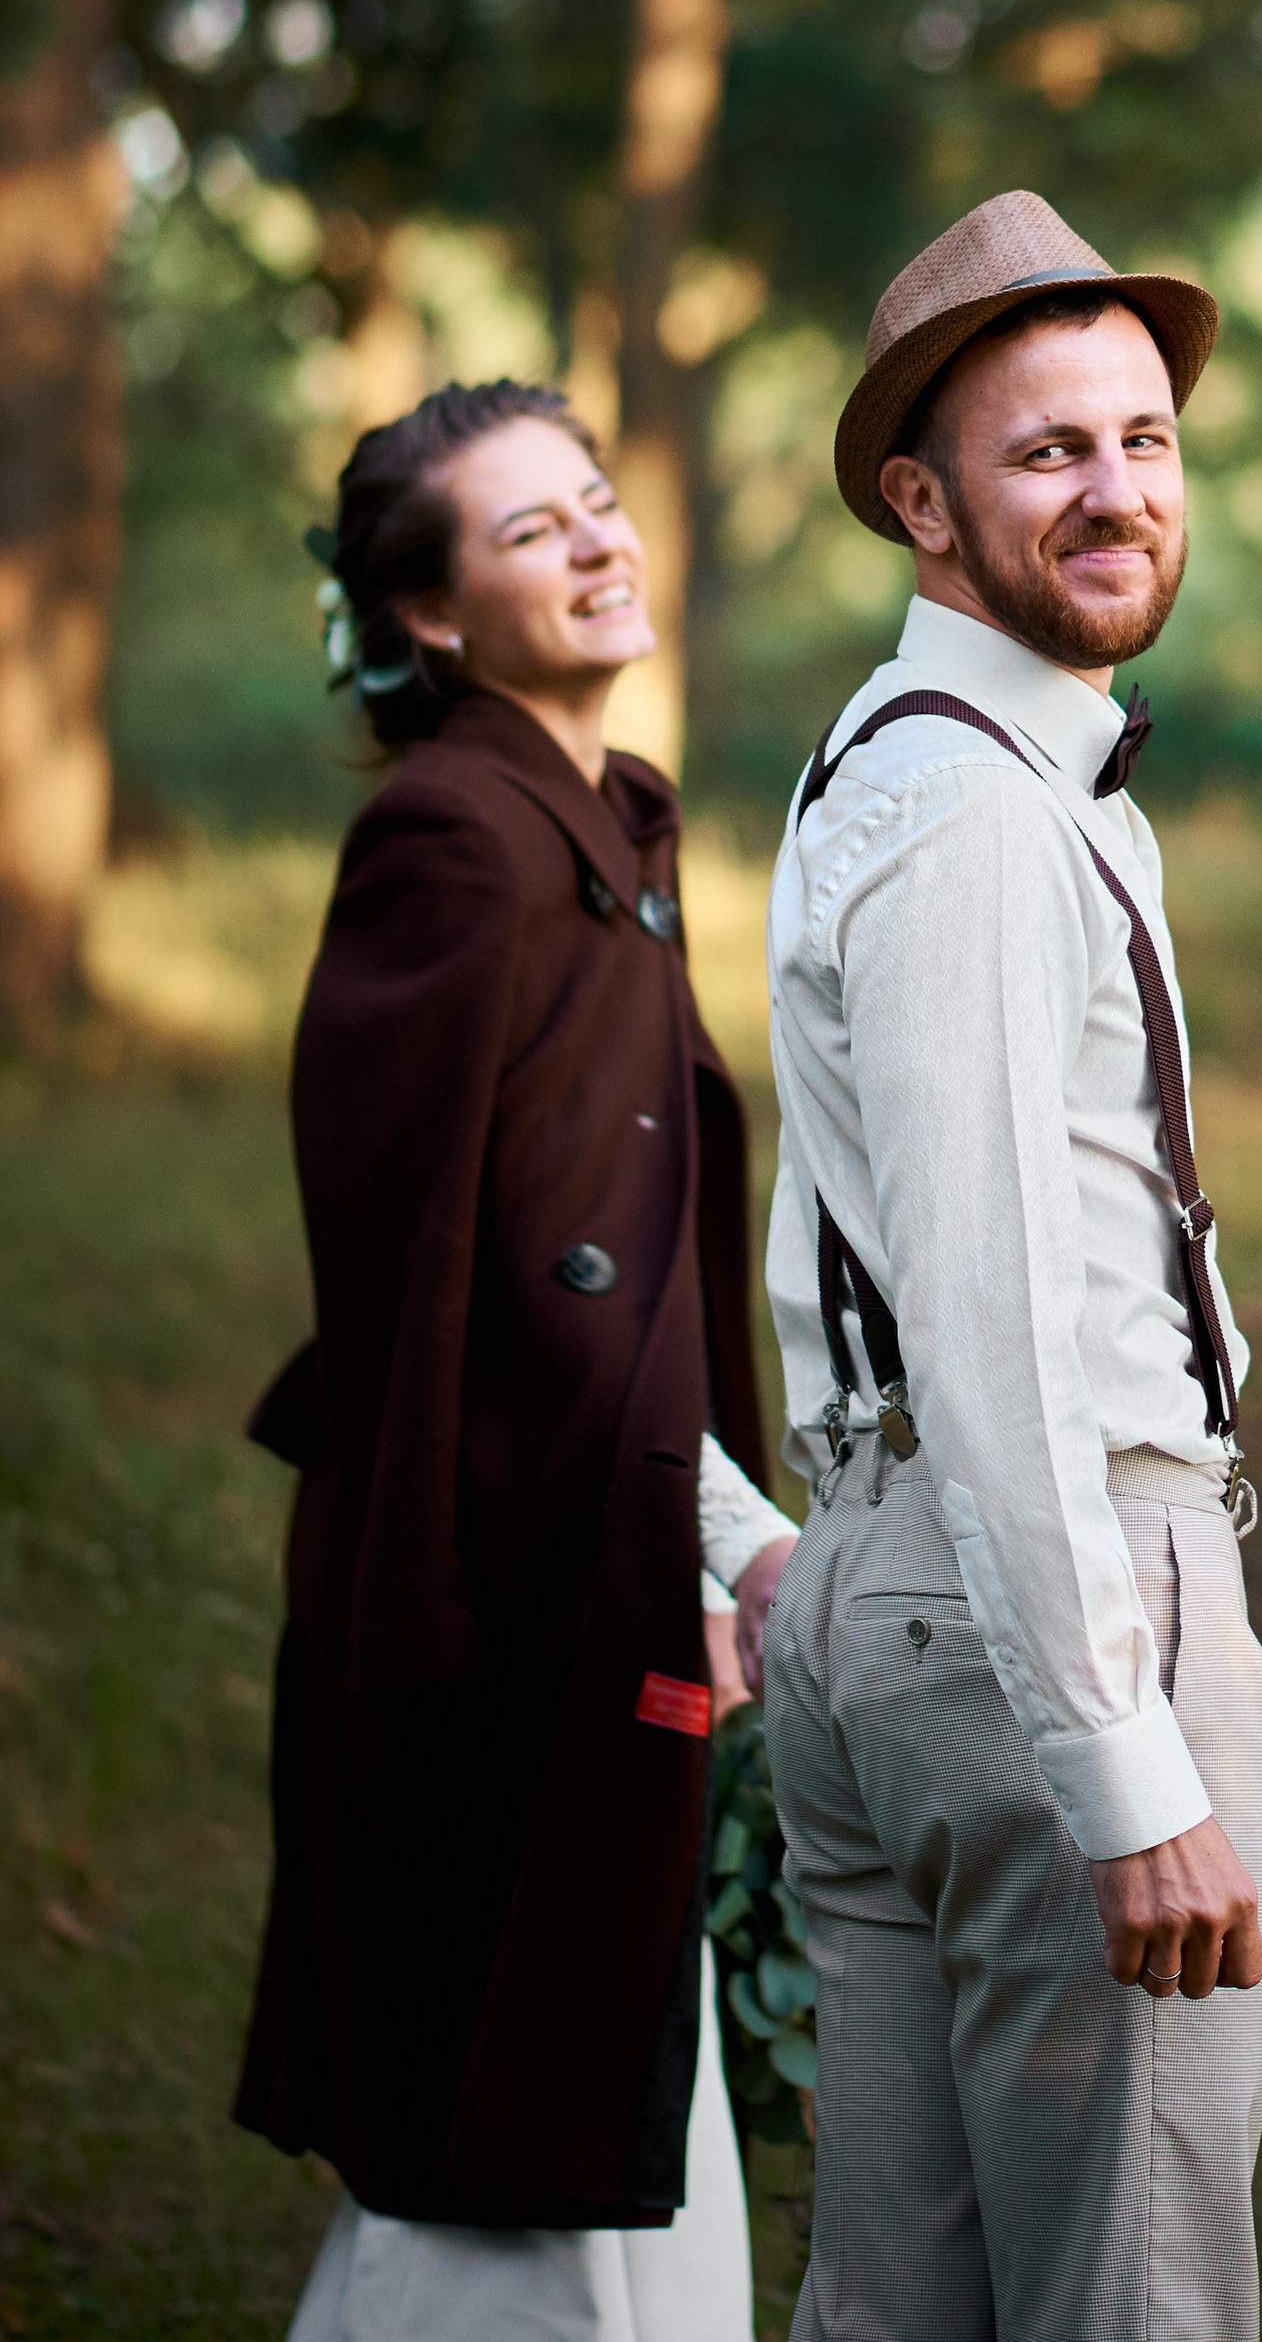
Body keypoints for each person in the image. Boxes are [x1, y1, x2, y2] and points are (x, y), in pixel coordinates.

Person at [760, 189, 1262, 2342]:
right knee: (1127, 2295)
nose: (1115, 489)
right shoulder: (972, 809)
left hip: (883, 1593)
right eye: (1047, 449)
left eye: (1143, 439)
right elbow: (987, 1313)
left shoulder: (900, 764)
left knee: (900, 2300)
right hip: (1052, 1608)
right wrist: (1124, 1759)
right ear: (922, 499)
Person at [235, 378, 800, 2341]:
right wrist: (729, 1534)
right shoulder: (450, 841)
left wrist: (711, 1529)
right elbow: (456, 1292)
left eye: (594, 499)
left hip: (600, 1570)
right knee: (502, 2167)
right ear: (431, 623)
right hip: (497, 1608)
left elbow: (625, 1271)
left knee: (610, 2137)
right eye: (528, 527)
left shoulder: (602, 836)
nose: (593, 536)